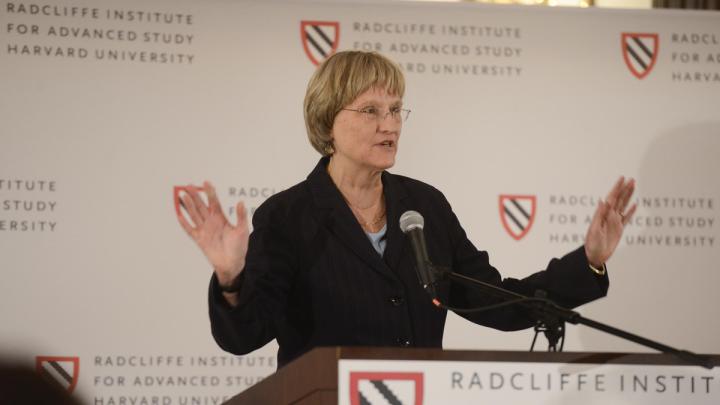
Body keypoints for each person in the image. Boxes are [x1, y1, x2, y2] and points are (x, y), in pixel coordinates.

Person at [176, 51, 636, 368]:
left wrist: (588, 261)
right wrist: (231, 278)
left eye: (396, 110)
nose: (390, 124)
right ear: (327, 121)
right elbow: (244, 336)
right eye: (371, 110)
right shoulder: (287, 216)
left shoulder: (424, 206)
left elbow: (495, 302)